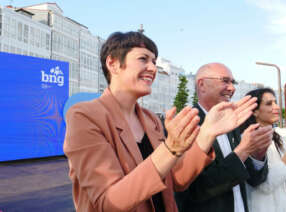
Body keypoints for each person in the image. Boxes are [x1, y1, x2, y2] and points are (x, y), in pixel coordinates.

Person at [63, 32, 258, 212]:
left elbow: (177, 180)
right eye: (143, 59)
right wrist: (171, 149)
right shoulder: (84, 116)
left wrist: (207, 133)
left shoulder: (150, 120)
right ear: (113, 64)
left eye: (154, 61)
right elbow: (109, 202)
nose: (153, 68)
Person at [175, 63, 271, 212]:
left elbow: (254, 179)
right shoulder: (185, 124)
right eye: (225, 81)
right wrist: (243, 151)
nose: (232, 88)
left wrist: (258, 155)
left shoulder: (232, 123)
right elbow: (194, 190)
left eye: (233, 82)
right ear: (202, 85)